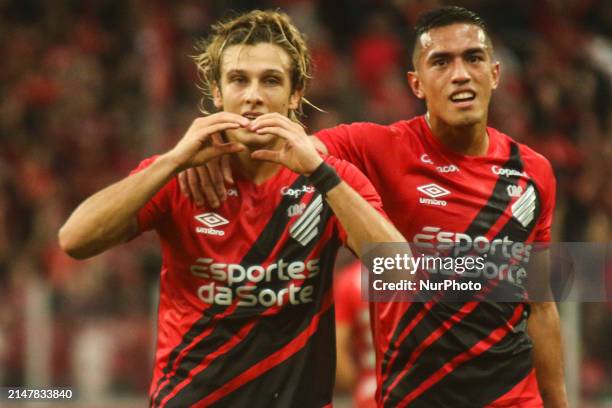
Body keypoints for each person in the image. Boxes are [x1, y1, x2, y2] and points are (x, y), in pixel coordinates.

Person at [183, 6, 568, 407]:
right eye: (441, 62)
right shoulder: (374, 147)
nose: (460, 74)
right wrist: (219, 147)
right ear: (416, 84)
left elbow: (541, 306)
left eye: (473, 58)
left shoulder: (533, 172)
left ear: (494, 73)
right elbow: (288, 148)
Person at [58, 10, 407, 408]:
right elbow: (74, 240)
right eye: (239, 80)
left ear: (295, 94)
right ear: (217, 92)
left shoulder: (328, 179)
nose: (253, 96)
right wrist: (171, 161)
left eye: (271, 81)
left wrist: (318, 171)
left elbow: (400, 273)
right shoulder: (181, 176)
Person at [334, 260, 377, 408]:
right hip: (418, 390)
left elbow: (338, 353)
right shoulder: (424, 274)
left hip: (370, 392)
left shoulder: (350, 279)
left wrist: (356, 387)